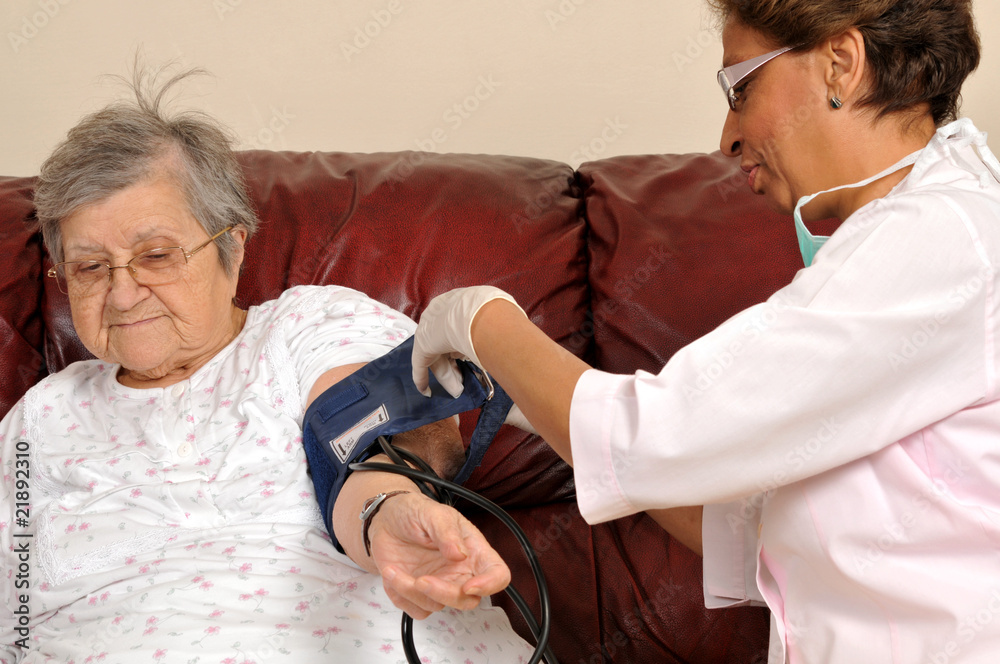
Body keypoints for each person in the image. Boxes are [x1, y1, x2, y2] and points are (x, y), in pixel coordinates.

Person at [409, 1, 1000, 662]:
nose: (727, 137)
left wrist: (479, 319)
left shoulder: (939, 239)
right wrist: (530, 407)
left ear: (842, 64)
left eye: (740, 89)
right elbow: (771, 535)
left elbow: (657, 438)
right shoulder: (932, 235)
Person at [0, 66, 534, 663]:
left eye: (155, 255)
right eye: (91, 267)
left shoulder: (307, 326)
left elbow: (361, 439)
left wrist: (389, 512)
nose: (122, 294)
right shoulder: (40, 418)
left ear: (232, 248)